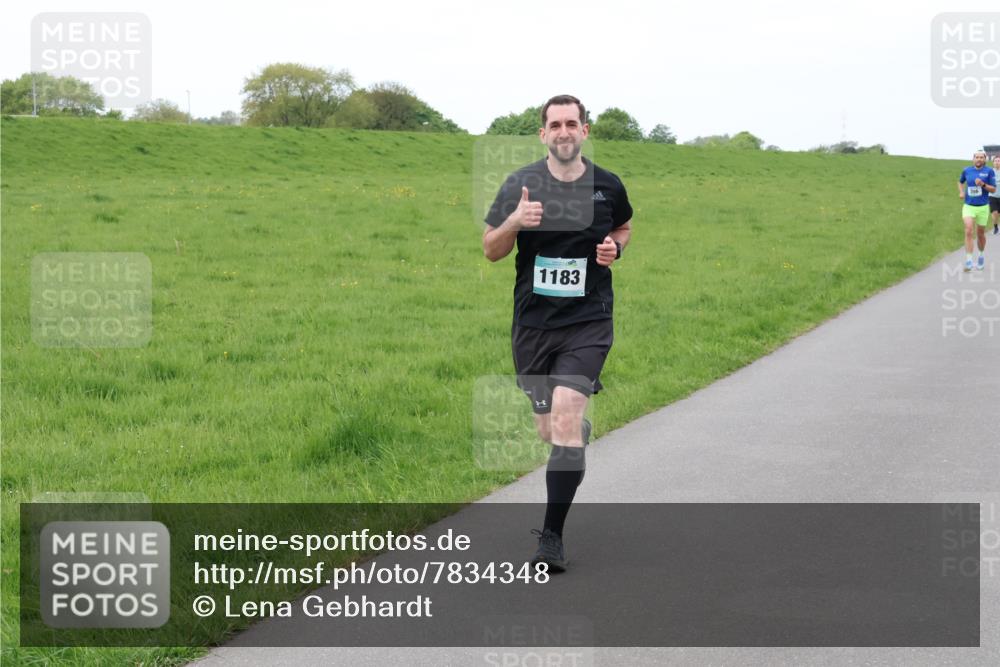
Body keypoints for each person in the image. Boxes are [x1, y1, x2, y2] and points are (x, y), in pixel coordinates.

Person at [483, 94, 632, 572]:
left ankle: (551, 538)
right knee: (551, 429)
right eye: (556, 124)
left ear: (585, 130)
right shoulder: (520, 184)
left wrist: (614, 248)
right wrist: (513, 221)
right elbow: (490, 249)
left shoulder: (606, 185)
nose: (564, 131)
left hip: (588, 321)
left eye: (573, 122)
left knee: (564, 420)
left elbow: (625, 227)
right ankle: (573, 433)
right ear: (543, 134)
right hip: (533, 326)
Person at [958, 150, 997, 272]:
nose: (979, 159)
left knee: (980, 234)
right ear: (973, 159)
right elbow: (960, 181)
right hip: (969, 206)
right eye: (977, 157)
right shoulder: (967, 170)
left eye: (981, 157)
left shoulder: (989, 172)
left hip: (983, 207)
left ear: (985, 159)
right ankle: (969, 260)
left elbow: (993, 190)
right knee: (968, 230)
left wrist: (983, 185)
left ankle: (981, 255)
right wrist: (961, 191)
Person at [990, 156, 1000, 235]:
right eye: (995, 161)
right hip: (992, 195)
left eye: (998, 161)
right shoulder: (990, 172)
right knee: (994, 212)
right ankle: (995, 227)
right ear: (993, 163)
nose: (997, 162)